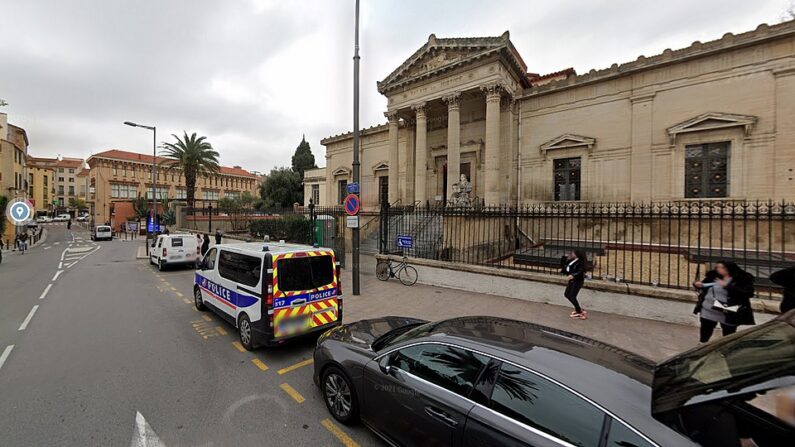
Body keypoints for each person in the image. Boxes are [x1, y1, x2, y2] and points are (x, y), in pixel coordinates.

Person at [693, 261, 755, 343]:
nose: (718, 269)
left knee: (728, 334)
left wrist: (727, 286)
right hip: (708, 310)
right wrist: (697, 285)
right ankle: (702, 345)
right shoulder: (713, 276)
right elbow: (704, 285)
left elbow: (748, 293)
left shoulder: (741, 279)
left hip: (728, 311)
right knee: (705, 331)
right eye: (717, 267)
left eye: (721, 267)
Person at [561, 250, 588, 319]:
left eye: (573, 253)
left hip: (577, 281)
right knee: (567, 294)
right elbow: (564, 266)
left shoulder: (580, 262)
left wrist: (573, 275)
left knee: (572, 296)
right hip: (572, 280)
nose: (572, 253)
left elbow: (580, 271)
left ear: (577, 254)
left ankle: (579, 312)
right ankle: (578, 309)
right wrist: (564, 258)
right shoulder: (572, 260)